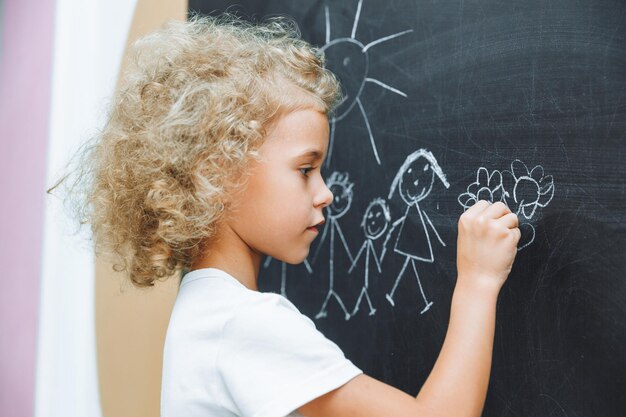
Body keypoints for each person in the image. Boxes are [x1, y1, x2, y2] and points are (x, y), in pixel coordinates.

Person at [52, 15, 520, 417]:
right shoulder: (241, 324)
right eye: (305, 169)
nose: (325, 194)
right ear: (219, 173)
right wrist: (477, 281)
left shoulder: (206, 313)